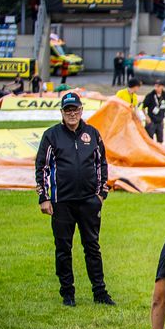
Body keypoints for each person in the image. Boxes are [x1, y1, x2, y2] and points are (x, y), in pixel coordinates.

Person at [34, 93, 114, 307]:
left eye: (75, 110)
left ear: (81, 110)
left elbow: (101, 165)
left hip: (89, 202)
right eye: (68, 110)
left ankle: (100, 292)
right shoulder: (51, 135)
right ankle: (67, 294)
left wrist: (101, 195)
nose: (72, 114)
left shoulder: (92, 134)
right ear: (62, 112)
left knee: (92, 247)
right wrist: (44, 197)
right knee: (63, 248)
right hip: (62, 203)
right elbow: (41, 167)